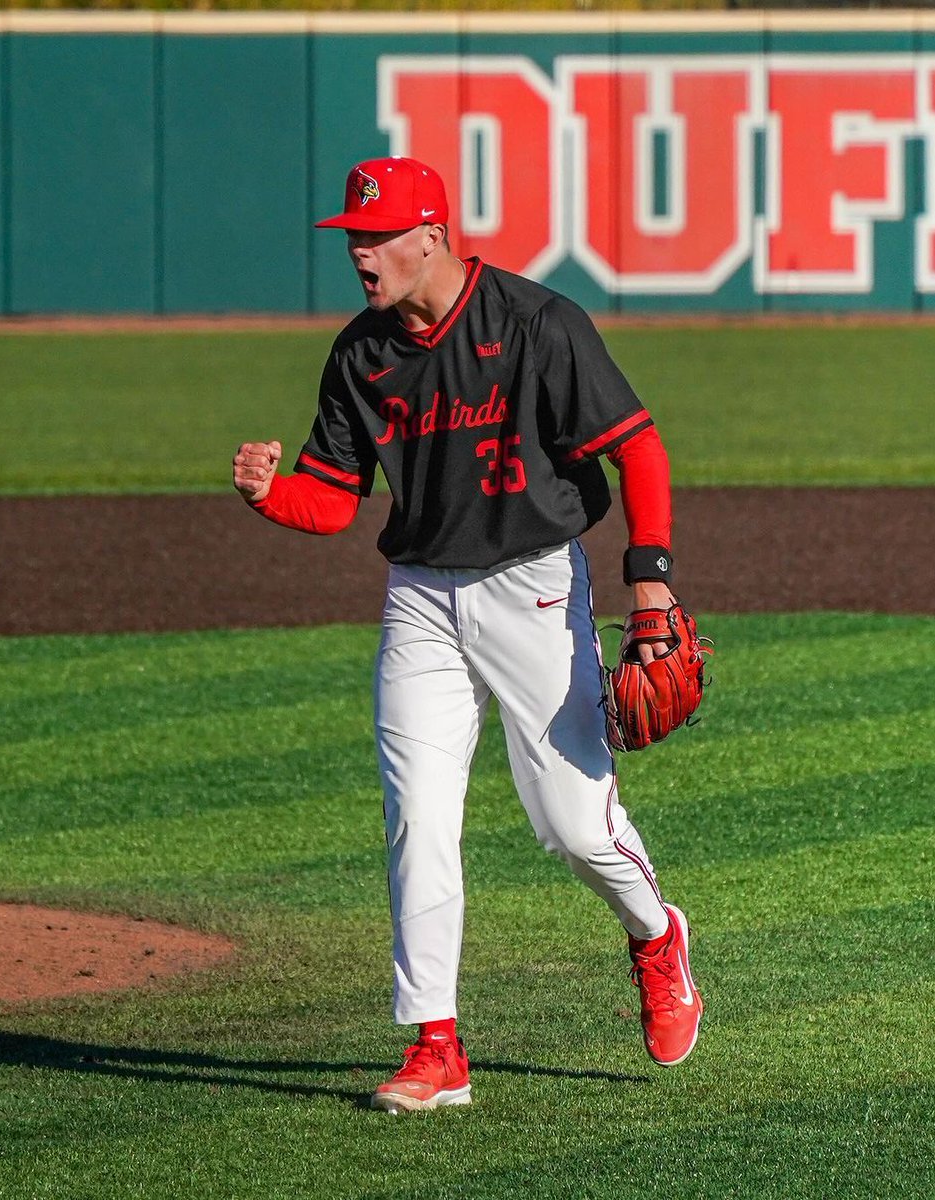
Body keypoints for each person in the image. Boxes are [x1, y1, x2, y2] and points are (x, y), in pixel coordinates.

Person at [233, 156, 703, 1114]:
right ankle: (436, 1045)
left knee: (573, 826)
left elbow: (637, 446)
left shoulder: (536, 323)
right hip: (418, 596)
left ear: (432, 235)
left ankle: (656, 936)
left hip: (532, 585)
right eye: (352, 238)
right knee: (418, 817)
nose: (360, 254)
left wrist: (647, 585)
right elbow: (333, 500)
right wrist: (267, 494)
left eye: (377, 237)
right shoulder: (360, 354)